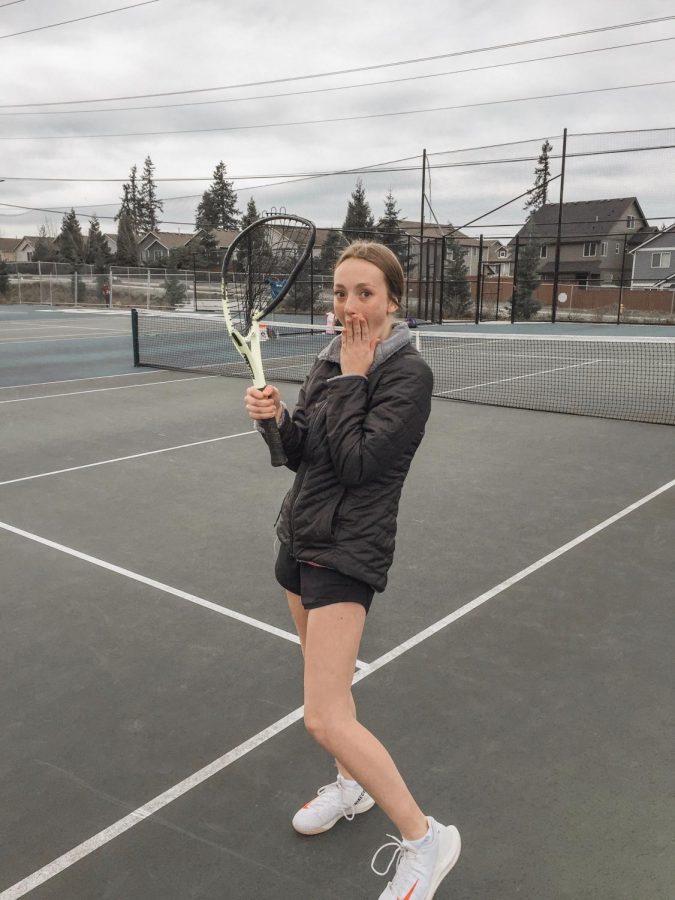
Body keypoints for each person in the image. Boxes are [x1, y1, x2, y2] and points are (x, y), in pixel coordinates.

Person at [244, 241, 460, 898]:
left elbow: (361, 464)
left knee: (322, 716)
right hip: (300, 538)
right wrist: (274, 418)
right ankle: (351, 788)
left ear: (392, 300)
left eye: (364, 293)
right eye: (339, 294)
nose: (348, 307)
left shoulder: (406, 376)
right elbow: (302, 451)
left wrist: (354, 376)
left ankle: (427, 839)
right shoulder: (330, 357)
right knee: (331, 697)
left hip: (348, 552)